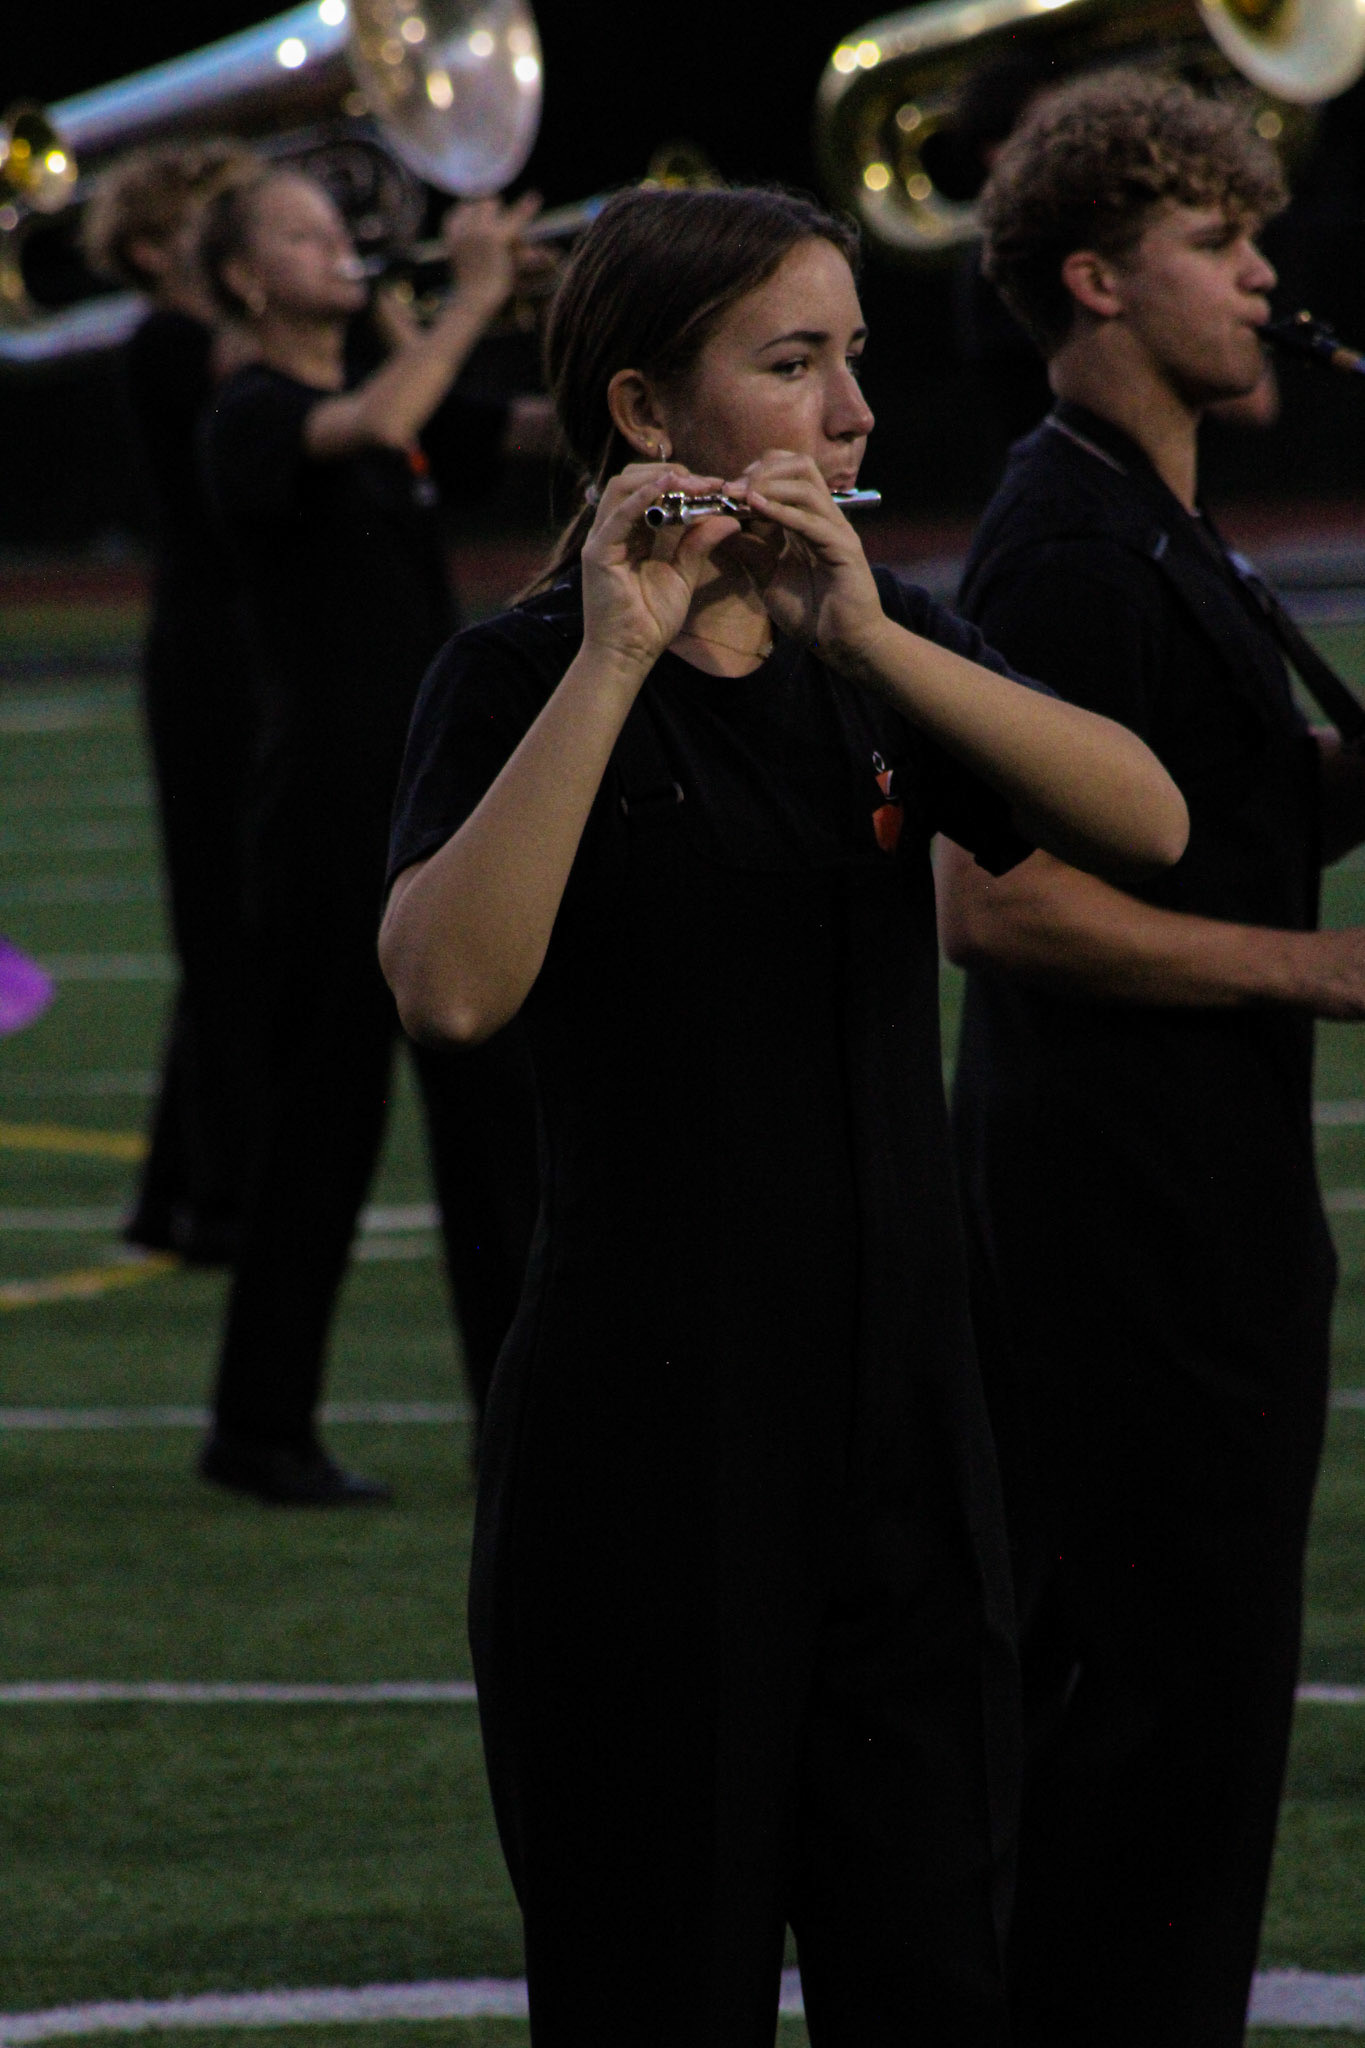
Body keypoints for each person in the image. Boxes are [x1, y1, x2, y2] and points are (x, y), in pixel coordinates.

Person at [378, 182, 1187, 2043]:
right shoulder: (513, 676)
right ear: (646, 411)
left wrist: (872, 641)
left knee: (939, 1983)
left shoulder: (866, 644)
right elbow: (449, 987)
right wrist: (616, 650)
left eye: (856, 359)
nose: (851, 413)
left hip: (910, 1455)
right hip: (646, 1471)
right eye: (794, 363)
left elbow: (1146, 819)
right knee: (654, 1989)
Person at [936, 70, 1365, 2048]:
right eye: (1216, 241)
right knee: (1152, 1727)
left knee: (1193, 1721)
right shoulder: (1070, 547)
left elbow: (1218, 811)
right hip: (1122, 1218)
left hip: (1195, 1191)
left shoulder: (1151, 521)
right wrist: (1312, 967)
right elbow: (995, 900)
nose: (1261, 276)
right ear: (1097, 279)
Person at [195, 168, 546, 1506]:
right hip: (325, 813)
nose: (337, 247)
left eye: (337, 227)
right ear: (243, 280)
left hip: (430, 794)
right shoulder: (249, 412)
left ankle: (518, 1421)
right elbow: (379, 420)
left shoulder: (391, 384)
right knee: (319, 1131)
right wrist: (466, 299)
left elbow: (528, 430)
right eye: (302, 234)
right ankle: (257, 1427)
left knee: (492, 1121)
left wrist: (592, 332)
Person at [82, 141, 260, 1262]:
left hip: (235, 648)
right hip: (210, 657)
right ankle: (218, 1200)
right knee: (228, 931)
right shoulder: (169, 342)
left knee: (232, 931)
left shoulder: (209, 341)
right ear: (153, 251)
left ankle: (177, 1193)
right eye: (216, 217)